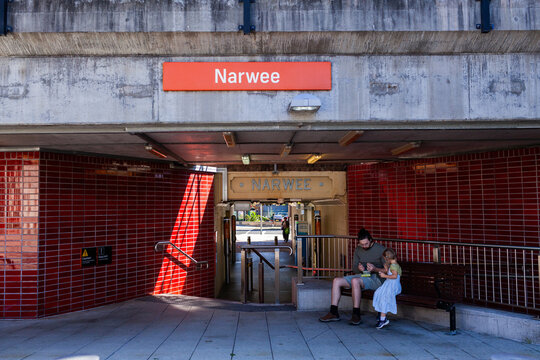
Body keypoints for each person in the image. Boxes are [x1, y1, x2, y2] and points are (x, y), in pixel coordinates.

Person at [319, 228, 386, 325]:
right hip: (362, 275)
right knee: (337, 281)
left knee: (355, 281)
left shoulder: (381, 250)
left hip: (377, 278)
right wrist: (359, 268)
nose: (364, 246)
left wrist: (375, 269)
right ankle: (333, 312)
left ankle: (356, 314)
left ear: (371, 240)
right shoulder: (358, 249)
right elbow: (354, 268)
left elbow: (387, 270)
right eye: (361, 244)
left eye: (366, 244)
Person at [373, 248, 402, 329]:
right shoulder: (393, 265)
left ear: (387, 258)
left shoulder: (394, 266)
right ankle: (381, 316)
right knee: (379, 293)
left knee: (384, 298)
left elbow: (394, 276)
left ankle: (383, 319)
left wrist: (384, 276)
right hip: (389, 284)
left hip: (393, 286)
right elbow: (390, 273)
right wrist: (385, 269)